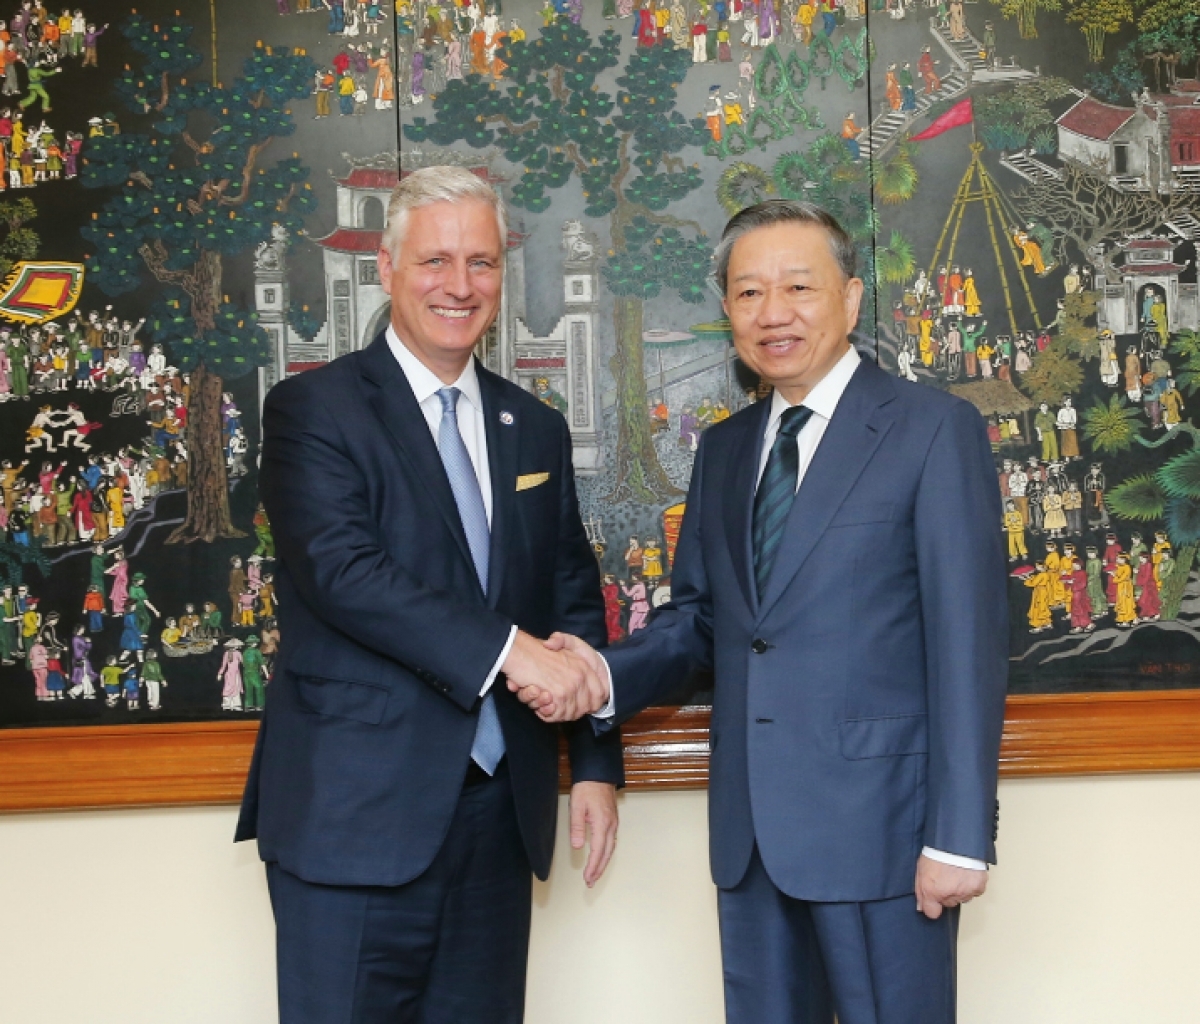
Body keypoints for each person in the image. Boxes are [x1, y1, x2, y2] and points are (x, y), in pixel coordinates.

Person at [519, 201, 1008, 1024]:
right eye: (747, 294)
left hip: (884, 838)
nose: (772, 313)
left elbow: (969, 644)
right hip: (750, 841)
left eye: (797, 287)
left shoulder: (932, 431)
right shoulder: (725, 449)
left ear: (850, 300)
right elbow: (705, 624)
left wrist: (959, 835)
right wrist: (600, 674)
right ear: (728, 314)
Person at [235, 166, 621, 1024]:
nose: (460, 285)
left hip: (497, 820)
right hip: (352, 822)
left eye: (482, 263)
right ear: (386, 266)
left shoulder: (536, 426)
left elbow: (569, 593)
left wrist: (595, 763)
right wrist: (508, 650)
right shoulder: (313, 411)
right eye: (436, 261)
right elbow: (346, 574)